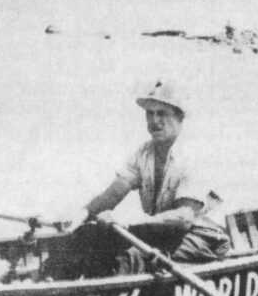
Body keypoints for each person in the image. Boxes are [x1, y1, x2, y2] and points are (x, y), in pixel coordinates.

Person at [41, 78, 230, 279]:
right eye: (150, 113)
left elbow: (183, 219)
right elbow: (115, 192)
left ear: (179, 117)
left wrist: (128, 222)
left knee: (135, 258)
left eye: (162, 114)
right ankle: (50, 284)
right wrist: (83, 213)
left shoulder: (192, 156)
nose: (154, 121)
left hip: (202, 238)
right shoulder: (145, 152)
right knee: (87, 235)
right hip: (165, 231)